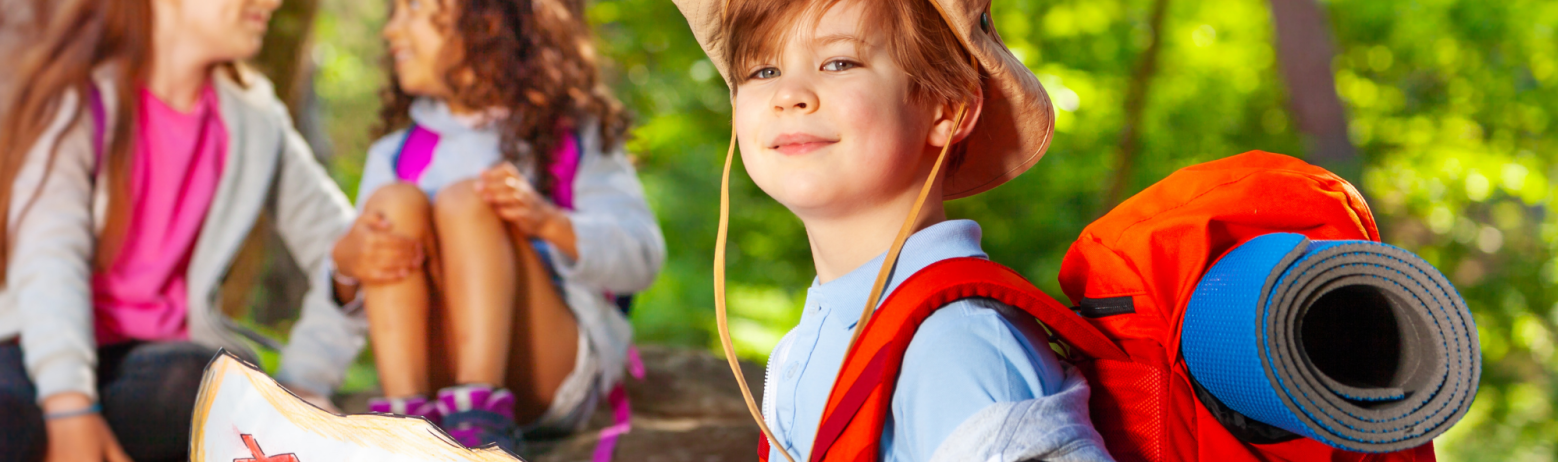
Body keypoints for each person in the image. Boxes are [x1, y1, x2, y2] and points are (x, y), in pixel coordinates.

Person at [0, 0, 368, 460]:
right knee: (0, 409)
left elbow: (350, 252)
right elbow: (50, 260)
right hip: (29, 341)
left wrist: (305, 380)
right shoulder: (77, 101)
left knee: (204, 379)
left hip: (149, 369)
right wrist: (69, 406)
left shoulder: (254, 119)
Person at [673, 0, 1114, 460]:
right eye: (763, 71)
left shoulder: (960, 345)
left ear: (950, 109)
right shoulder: (806, 341)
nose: (788, 94)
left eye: (839, 62)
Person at [331, 0, 664, 450]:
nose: (391, 30)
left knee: (471, 199)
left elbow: (641, 257)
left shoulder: (575, 135)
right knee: (392, 207)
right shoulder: (395, 152)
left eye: (412, 9)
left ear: (486, 20)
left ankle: (481, 420)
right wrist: (345, 269)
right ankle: (403, 420)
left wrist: (548, 222)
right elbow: (337, 308)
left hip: (546, 372)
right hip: (434, 369)